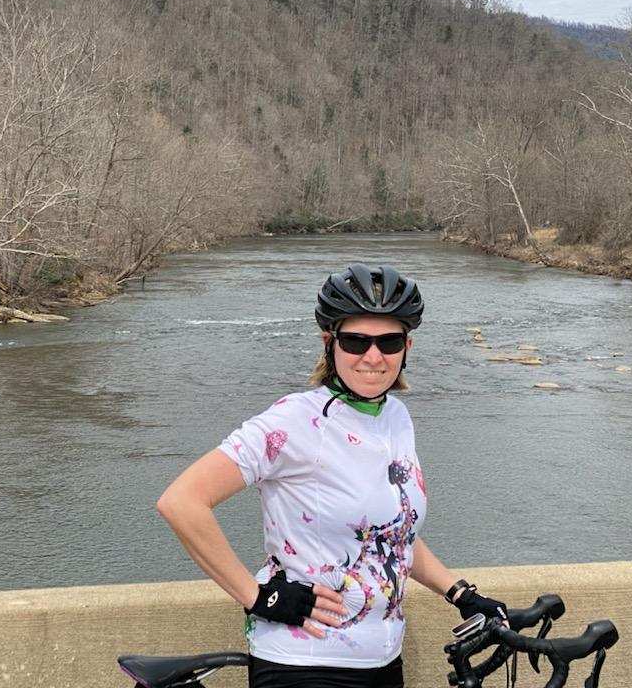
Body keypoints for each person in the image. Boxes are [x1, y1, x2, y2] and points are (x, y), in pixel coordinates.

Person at [157, 263, 507, 688]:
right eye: (356, 341)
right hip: (304, 662)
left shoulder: (396, 417)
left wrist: (460, 593)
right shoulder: (294, 421)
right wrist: (257, 596)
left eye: (389, 342)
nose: (373, 356)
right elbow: (182, 501)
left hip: (383, 658)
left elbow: (393, 533)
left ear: (407, 347)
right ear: (330, 344)